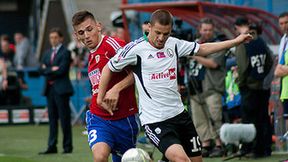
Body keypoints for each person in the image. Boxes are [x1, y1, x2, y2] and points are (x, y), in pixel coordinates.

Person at [98, 9, 252, 162]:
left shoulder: (174, 44)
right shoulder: (135, 49)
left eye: (166, 33)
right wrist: (101, 97)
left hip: (180, 115)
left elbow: (203, 49)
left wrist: (236, 41)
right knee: (182, 160)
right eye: (158, 32)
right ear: (149, 27)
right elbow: (109, 68)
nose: (161, 38)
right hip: (155, 120)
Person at [72, 10, 138, 162]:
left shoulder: (113, 45)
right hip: (99, 118)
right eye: (81, 32)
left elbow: (138, 71)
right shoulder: (91, 56)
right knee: (100, 157)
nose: (86, 36)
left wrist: (116, 89)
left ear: (98, 26)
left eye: (89, 29)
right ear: (77, 36)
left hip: (125, 119)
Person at [234, 17, 273, 158]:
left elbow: (243, 67)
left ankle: (252, 149)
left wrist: (241, 83)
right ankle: (265, 149)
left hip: (249, 87)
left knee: (249, 120)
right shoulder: (261, 41)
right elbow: (269, 61)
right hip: (263, 86)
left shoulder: (243, 43)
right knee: (263, 118)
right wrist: (263, 77)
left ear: (239, 27)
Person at [190, 18, 226, 157]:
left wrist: (194, 55)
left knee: (215, 118)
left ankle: (219, 144)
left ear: (213, 30)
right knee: (199, 120)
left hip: (212, 88)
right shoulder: (195, 44)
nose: (207, 32)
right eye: (205, 30)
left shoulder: (217, 44)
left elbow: (213, 63)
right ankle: (205, 145)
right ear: (200, 29)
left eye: (210, 30)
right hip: (195, 89)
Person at [39, 27, 74, 154]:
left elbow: (62, 70)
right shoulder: (47, 53)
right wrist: (51, 69)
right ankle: (51, 146)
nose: (53, 40)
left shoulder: (66, 52)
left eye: (55, 37)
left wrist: (48, 69)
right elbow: (40, 70)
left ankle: (67, 147)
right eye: (51, 37)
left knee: (64, 119)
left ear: (61, 38)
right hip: (50, 90)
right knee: (52, 119)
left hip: (61, 90)